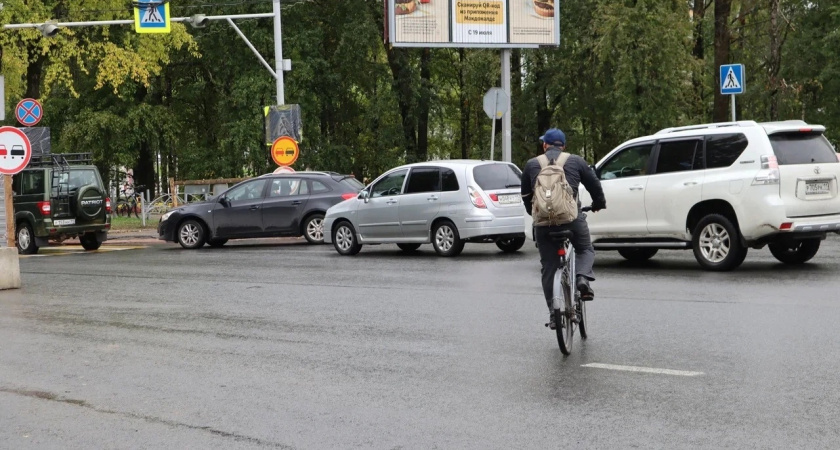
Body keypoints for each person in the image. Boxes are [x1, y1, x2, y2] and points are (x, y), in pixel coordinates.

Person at [521, 128, 606, 327]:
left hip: (543, 225)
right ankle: (582, 279)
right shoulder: (576, 161)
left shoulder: (532, 164)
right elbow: (595, 186)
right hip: (571, 220)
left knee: (548, 267)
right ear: (564, 146)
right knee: (585, 248)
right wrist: (598, 204)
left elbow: (526, 198)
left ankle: (554, 314)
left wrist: (538, 216)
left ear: (545, 145)